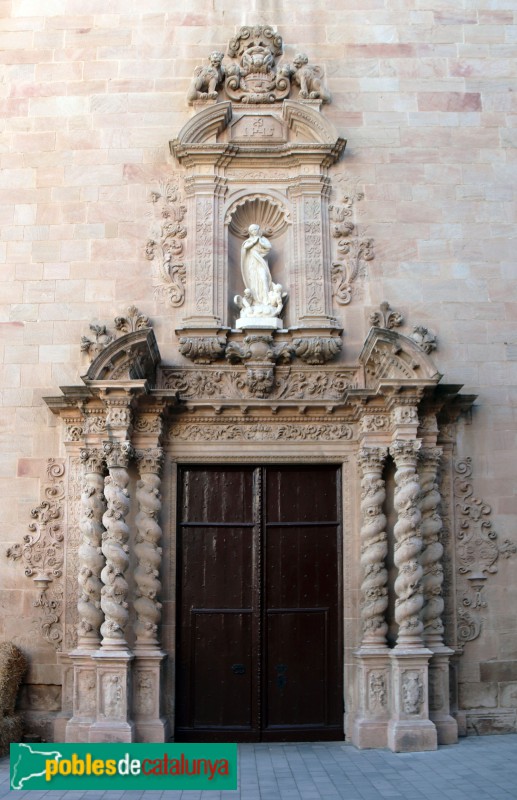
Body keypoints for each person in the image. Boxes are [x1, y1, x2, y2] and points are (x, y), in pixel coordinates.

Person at [240, 224, 273, 307]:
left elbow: (269, 247)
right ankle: (256, 301)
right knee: (254, 282)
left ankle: (266, 300)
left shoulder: (263, 239)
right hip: (252, 263)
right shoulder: (249, 241)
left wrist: (260, 242)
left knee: (264, 278)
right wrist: (254, 242)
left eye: (255, 229)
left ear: (258, 230)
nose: (254, 232)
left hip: (261, 261)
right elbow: (245, 247)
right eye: (252, 231)